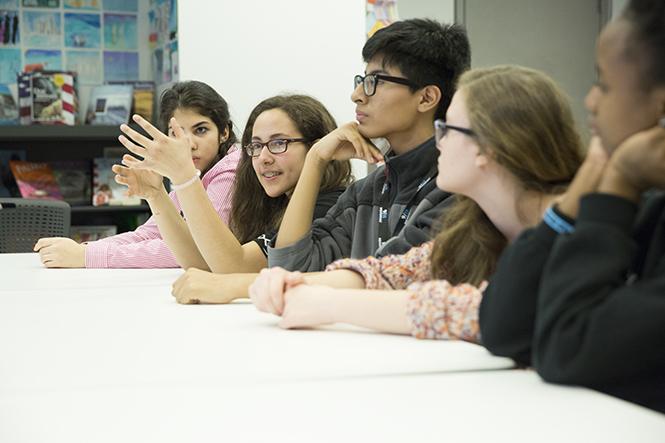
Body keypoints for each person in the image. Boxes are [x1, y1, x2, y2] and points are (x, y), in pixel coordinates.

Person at [248, 65, 583, 341]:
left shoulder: (574, 222)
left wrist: (329, 302)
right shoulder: (478, 221)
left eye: (448, 129)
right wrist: (297, 285)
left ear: (488, 148)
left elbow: (495, 310)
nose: (438, 141)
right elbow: (395, 271)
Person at [479, 0, 665, 413]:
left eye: (605, 84)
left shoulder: (631, 196)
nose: (591, 101)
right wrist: (577, 199)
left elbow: (566, 346)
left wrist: (618, 184)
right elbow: (503, 327)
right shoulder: (650, 206)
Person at [266, 18, 471, 273]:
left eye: (376, 80)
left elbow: (392, 280)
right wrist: (316, 159)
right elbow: (288, 267)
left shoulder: (457, 189)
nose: (358, 94)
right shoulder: (366, 192)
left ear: (426, 97)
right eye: (362, 80)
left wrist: (234, 285)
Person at [116, 95, 352, 281]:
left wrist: (184, 176)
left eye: (279, 143)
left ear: (318, 146)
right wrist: (156, 195)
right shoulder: (271, 199)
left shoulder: (329, 204)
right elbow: (202, 263)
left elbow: (235, 268)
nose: (263, 158)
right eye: (256, 145)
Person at [34, 81, 240, 268]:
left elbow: (190, 251)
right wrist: (82, 249)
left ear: (224, 132)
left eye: (201, 130)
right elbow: (150, 234)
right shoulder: (191, 172)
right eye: (176, 133)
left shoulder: (230, 170)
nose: (188, 144)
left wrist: (87, 256)